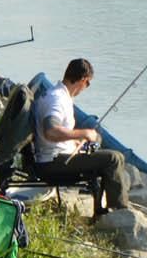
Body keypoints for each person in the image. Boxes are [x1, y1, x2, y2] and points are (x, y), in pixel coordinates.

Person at [30, 58, 131, 211]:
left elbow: (53, 136)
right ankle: (120, 211)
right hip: (53, 163)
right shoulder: (57, 99)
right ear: (83, 80)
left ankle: (102, 208)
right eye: (88, 83)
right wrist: (83, 133)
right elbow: (50, 131)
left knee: (106, 150)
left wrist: (74, 142)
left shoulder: (58, 95)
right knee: (113, 158)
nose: (86, 87)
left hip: (55, 156)